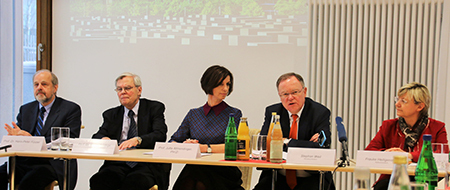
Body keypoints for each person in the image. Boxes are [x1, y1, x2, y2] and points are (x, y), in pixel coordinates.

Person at [0, 69, 82, 190]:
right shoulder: (26, 109)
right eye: (36, 84)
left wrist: (32, 140)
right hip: (25, 161)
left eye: (44, 84)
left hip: (51, 163)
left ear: (55, 88)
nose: (39, 88)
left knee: (28, 183)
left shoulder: (70, 109)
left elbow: (68, 139)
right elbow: (20, 135)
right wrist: (14, 138)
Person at [253, 72, 335, 190]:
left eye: (295, 92)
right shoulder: (273, 111)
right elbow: (264, 145)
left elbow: (322, 147)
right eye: (285, 94)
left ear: (304, 91)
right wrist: (306, 144)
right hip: (278, 175)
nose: (290, 98)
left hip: (310, 176)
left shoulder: (319, 112)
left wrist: (286, 141)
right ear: (279, 96)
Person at [89, 72, 169, 190]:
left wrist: (138, 140)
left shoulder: (153, 108)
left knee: (134, 182)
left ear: (139, 90)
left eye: (127, 88)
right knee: (99, 181)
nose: (123, 92)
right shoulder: (111, 114)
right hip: (118, 163)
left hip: (145, 164)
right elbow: (97, 135)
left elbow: (160, 134)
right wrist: (103, 139)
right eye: (119, 89)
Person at [169, 65, 244, 190]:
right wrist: (187, 145)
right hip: (198, 167)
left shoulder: (234, 114)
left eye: (228, 84)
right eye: (221, 84)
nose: (225, 88)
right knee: (196, 171)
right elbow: (173, 141)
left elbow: (234, 146)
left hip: (223, 170)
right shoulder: (194, 114)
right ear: (209, 84)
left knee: (195, 175)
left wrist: (204, 148)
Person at [365, 82, 448, 190]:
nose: (397, 104)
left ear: (420, 106)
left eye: (403, 101)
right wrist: (387, 154)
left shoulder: (437, 127)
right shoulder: (388, 126)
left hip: (424, 180)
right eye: (397, 99)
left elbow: (443, 156)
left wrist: (409, 156)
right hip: (392, 179)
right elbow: (369, 152)